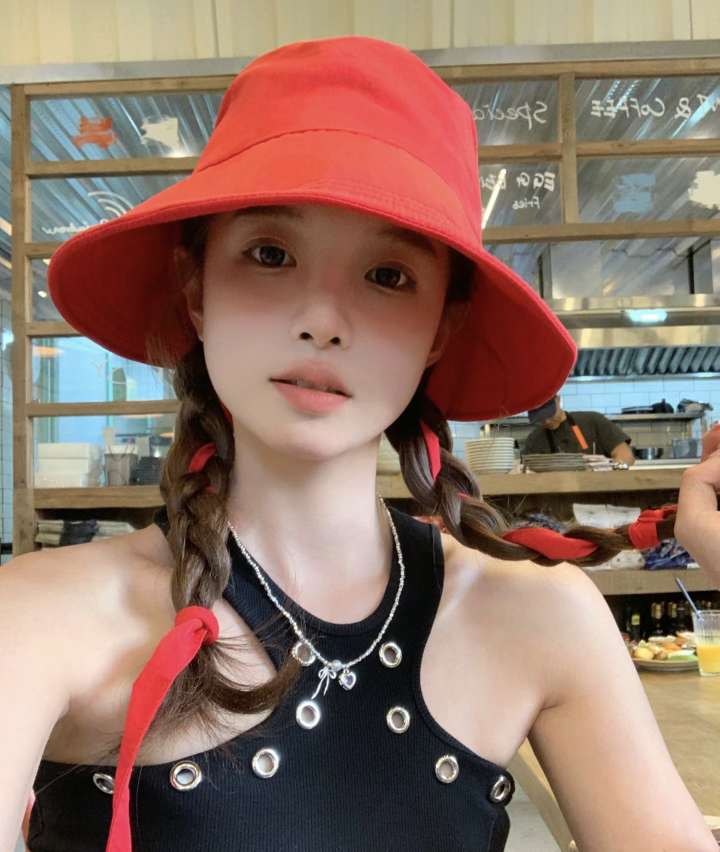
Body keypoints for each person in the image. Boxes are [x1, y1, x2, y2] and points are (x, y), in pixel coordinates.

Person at [2, 35, 717, 852]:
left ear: (441, 327)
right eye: (270, 254)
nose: (323, 319)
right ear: (197, 290)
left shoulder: (541, 617)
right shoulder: (38, 619)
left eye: (388, 275)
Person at [523, 394, 636, 466]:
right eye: (540, 418)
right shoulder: (535, 439)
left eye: (549, 414)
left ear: (557, 399)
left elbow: (625, 455)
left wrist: (613, 468)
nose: (546, 421)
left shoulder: (593, 421)